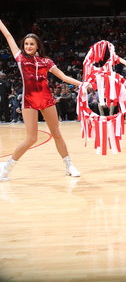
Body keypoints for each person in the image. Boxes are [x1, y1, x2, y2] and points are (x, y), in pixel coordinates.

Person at [0, 19, 82, 181]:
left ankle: (68, 166)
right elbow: (8, 35)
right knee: (31, 138)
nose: (28, 46)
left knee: (56, 133)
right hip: (29, 100)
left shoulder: (46, 61)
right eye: (26, 44)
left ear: (38, 46)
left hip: (46, 100)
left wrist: (83, 84)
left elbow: (64, 77)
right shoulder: (20, 58)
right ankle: (7, 167)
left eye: (31, 44)